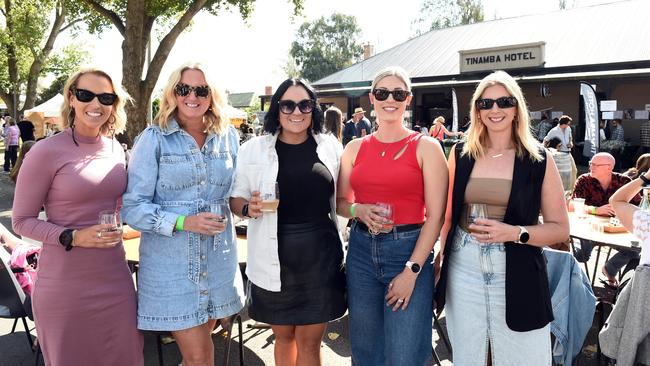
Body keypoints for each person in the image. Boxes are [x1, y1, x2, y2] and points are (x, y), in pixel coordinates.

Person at [11, 67, 143, 365]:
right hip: (65, 287)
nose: (96, 105)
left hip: (116, 281)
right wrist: (72, 236)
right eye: (86, 95)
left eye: (106, 97)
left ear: (114, 105)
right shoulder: (45, 151)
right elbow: (21, 222)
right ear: (72, 99)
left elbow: (121, 206)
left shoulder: (116, 150)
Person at [436, 70, 569, 365]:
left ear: (516, 108)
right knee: (470, 355)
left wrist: (513, 232)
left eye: (504, 102)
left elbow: (560, 229)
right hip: (464, 265)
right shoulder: (460, 154)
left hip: (517, 266)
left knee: (524, 356)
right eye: (486, 104)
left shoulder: (538, 159)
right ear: (478, 111)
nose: (495, 109)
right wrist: (439, 259)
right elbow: (447, 218)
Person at [122, 63, 244, 366]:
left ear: (212, 95)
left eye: (201, 90)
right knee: (201, 358)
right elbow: (132, 207)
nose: (192, 95)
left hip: (217, 263)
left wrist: (246, 206)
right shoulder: (153, 139)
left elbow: (233, 195)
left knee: (200, 356)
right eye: (184, 89)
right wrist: (183, 221)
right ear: (173, 93)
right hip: (172, 269)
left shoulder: (228, 137)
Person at [230, 78, 346, 365]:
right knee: (283, 338)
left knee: (309, 342)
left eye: (305, 104)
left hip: (320, 259)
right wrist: (248, 207)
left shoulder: (330, 146)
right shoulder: (253, 149)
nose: (297, 111)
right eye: (288, 104)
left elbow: (345, 197)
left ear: (314, 108)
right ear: (277, 108)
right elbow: (235, 199)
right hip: (272, 258)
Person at [337, 66, 447, 365]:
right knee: (365, 350)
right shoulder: (354, 148)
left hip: (409, 250)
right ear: (372, 98)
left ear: (408, 99)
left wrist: (412, 270)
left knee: (404, 352)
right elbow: (341, 204)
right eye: (383, 92)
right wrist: (358, 210)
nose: (390, 99)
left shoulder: (427, 146)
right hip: (360, 251)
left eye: (398, 93)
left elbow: (435, 217)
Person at [571, 152, 641, 286]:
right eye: (591, 163)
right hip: (589, 229)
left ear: (609, 167)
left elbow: (637, 206)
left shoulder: (624, 182)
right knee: (581, 255)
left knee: (635, 250)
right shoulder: (584, 180)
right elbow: (573, 204)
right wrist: (595, 210)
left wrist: (622, 210)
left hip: (617, 230)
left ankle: (610, 269)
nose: (591, 167)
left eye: (596, 164)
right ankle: (576, 283)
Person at [610, 171, 650, 268]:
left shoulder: (647, 223)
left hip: (645, 281)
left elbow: (616, 200)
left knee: (633, 264)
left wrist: (646, 178)